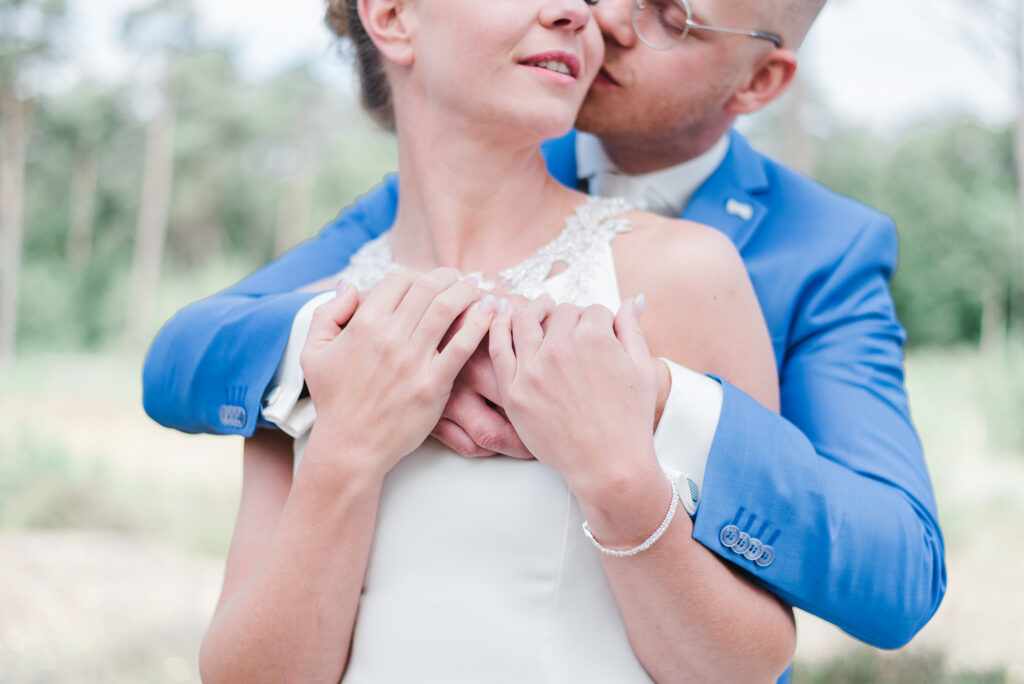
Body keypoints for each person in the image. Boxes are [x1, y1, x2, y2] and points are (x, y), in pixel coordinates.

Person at [144, 0, 945, 656]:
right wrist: (363, 352)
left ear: (760, 80)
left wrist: (658, 406)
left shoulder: (816, 251)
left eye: (670, 14)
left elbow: (896, 567)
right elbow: (199, 346)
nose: (606, 19)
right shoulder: (461, 160)